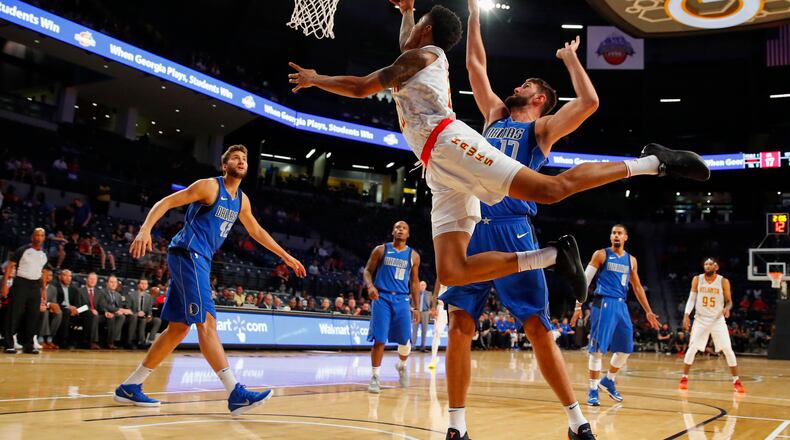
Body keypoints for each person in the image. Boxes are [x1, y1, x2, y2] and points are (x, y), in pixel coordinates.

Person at [287, 0, 709, 312]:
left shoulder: (428, 58)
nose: (411, 34)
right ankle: (551, 256)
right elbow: (451, 57)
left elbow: (363, 87)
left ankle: (653, 162)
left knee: (551, 189)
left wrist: (315, 78)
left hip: (452, 144)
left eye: (418, 27)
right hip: (440, 165)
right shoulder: (424, 61)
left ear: (427, 34)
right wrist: (408, 10)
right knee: (451, 271)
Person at [437, 0, 601, 436]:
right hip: (472, 226)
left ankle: (575, 419)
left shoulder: (541, 129)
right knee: (459, 325)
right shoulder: (493, 115)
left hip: (513, 230)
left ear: (540, 99)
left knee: (537, 328)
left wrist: (570, 60)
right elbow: (475, 65)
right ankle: (456, 425)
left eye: (526, 85)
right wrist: (474, 14)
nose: (518, 86)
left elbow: (588, 102)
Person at [113, 144, 305, 415]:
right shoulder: (209, 187)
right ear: (224, 166)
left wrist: (285, 256)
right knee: (207, 321)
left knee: (178, 329)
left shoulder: (242, 200)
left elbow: (257, 231)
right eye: (235, 158)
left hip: (199, 258)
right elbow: (167, 202)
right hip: (188, 253)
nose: (241, 161)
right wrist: (146, 229)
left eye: (244, 159)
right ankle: (234, 392)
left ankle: (131, 387)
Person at [571, 225, 660, 407]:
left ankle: (608, 380)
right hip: (604, 302)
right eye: (613, 233)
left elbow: (637, 287)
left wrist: (648, 310)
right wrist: (578, 305)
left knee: (625, 349)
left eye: (619, 233)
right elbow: (585, 279)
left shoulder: (631, 260)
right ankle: (593, 389)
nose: (616, 235)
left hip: (621, 304)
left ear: (626, 237)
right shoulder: (601, 254)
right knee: (597, 350)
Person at [364, 221, 420, 393]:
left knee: (405, 340)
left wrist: (417, 307)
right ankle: (375, 377)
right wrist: (370, 286)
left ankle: (401, 365)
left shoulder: (414, 256)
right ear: (392, 231)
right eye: (397, 227)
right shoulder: (381, 250)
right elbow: (367, 271)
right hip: (382, 297)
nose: (400, 230)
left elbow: (415, 282)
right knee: (379, 339)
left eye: (404, 228)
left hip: (402, 299)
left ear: (408, 234)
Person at [679, 259, 745, 393]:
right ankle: (684, 378)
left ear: (717, 267)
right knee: (692, 348)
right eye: (705, 264)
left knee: (727, 349)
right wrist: (686, 315)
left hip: (717, 320)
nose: (707, 266)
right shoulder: (697, 279)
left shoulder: (723, 281)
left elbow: (729, 301)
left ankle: (736, 380)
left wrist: (727, 308)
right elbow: (691, 299)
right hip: (700, 319)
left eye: (710, 264)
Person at [3, 228, 49, 354]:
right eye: (37, 235)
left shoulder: (44, 254)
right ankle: (8, 344)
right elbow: (9, 267)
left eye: (41, 235)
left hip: (35, 286)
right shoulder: (23, 250)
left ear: (44, 238)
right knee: (14, 314)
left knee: (33, 315)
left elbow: (44, 272)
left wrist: (43, 290)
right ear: (32, 236)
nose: (39, 238)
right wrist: (4, 286)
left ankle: (28, 345)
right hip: (21, 283)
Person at [411, 281, 432, 351]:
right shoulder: (415, 293)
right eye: (421, 285)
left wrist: (431, 310)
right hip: (416, 313)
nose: (422, 286)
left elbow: (432, 303)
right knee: (414, 330)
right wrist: (411, 308)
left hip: (425, 313)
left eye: (423, 285)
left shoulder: (429, 294)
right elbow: (407, 300)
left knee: (424, 331)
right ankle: (413, 346)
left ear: (425, 286)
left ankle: (423, 347)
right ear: (419, 286)